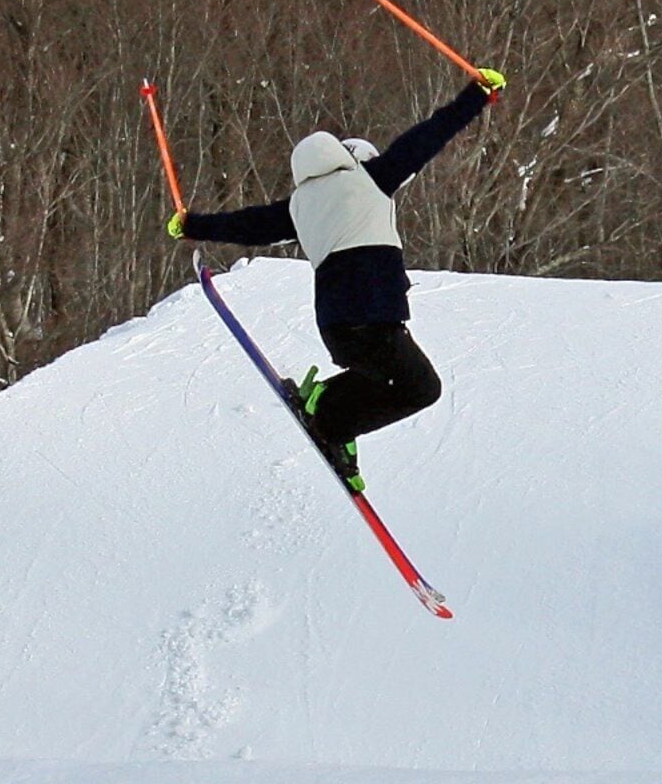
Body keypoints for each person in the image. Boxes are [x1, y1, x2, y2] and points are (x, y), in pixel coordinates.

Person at [170, 68, 503, 486]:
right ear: (352, 161)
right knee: (421, 388)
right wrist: (476, 96)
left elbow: (247, 226)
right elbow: (426, 138)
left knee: (396, 382)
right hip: (375, 316)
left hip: (338, 327)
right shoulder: (370, 180)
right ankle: (329, 412)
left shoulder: (298, 206)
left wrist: (193, 225)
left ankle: (335, 420)